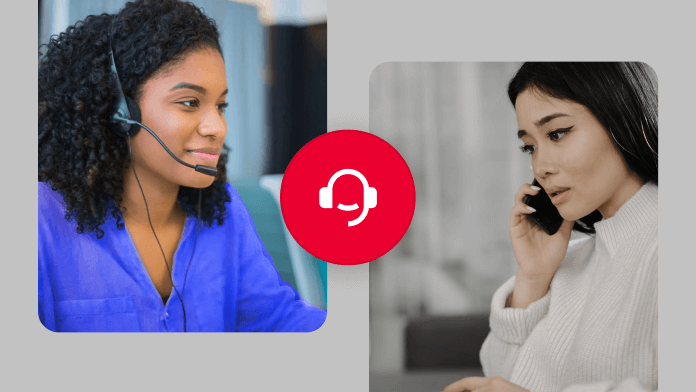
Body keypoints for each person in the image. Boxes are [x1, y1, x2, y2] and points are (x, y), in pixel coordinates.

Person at [38, 0, 326, 332]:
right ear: (120, 113)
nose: (218, 127)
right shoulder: (40, 221)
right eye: (190, 102)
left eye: (220, 105)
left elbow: (276, 319)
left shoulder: (222, 211)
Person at [443, 63, 658, 392]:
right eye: (530, 146)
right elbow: (502, 379)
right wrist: (532, 278)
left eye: (557, 133)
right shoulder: (572, 261)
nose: (540, 167)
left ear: (619, 118)